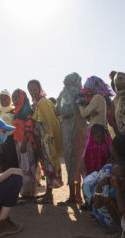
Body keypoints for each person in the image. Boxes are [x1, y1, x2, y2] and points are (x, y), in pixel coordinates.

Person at [83, 134, 125, 227]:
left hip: (109, 218)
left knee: (87, 182)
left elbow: (99, 188)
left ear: (113, 149)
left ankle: (93, 208)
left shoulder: (109, 168)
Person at [28, 80, 63, 204]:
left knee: (50, 165)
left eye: (34, 89)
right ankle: (48, 193)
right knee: (46, 165)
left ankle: (49, 194)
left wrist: (48, 139)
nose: (32, 92)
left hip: (47, 140)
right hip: (41, 140)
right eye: (30, 90)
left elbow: (50, 122)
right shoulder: (37, 103)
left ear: (40, 89)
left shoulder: (43, 103)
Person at [56, 73, 87, 205]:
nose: (67, 85)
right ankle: (77, 196)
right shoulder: (80, 93)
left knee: (73, 162)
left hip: (73, 130)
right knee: (77, 163)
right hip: (75, 129)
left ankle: (74, 197)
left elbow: (59, 111)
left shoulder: (75, 94)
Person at [12, 89, 37, 200]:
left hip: (25, 142)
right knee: (23, 166)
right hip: (19, 141)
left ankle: (28, 193)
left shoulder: (26, 110)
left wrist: (24, 142)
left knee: (27, 166)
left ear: (22, 97)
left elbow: (29, 127)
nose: (14, 99)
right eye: (13, 97)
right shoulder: (17, 110)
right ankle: (27, 192)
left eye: (17, 97)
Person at [0, 90, 19, 173]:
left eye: (6, 98)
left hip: (12, 140)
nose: (4, 101)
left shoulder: (14, 111)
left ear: (10, 99)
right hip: (0, 141)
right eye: (1, 99)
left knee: (13, 161)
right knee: (3, 162)